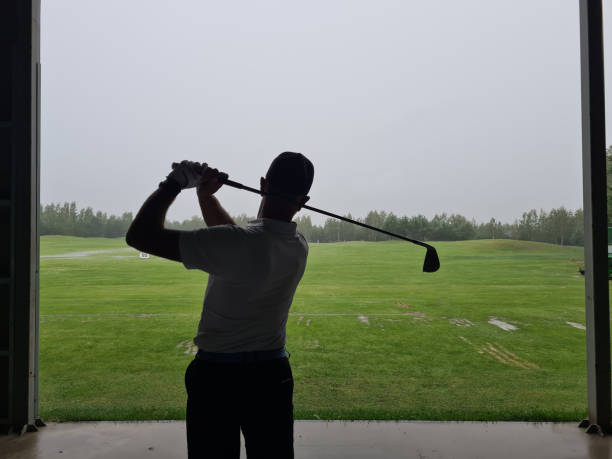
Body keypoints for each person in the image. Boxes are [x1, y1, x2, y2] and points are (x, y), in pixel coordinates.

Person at [126, 152, 314, 459]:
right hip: (271, 377)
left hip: (217, 379)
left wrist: (174, 183)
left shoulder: (237, 244)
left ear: (263, 184)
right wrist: (205, 198)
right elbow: (238, 242)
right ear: (303, 200)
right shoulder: (299, 246)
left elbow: (140, 236)